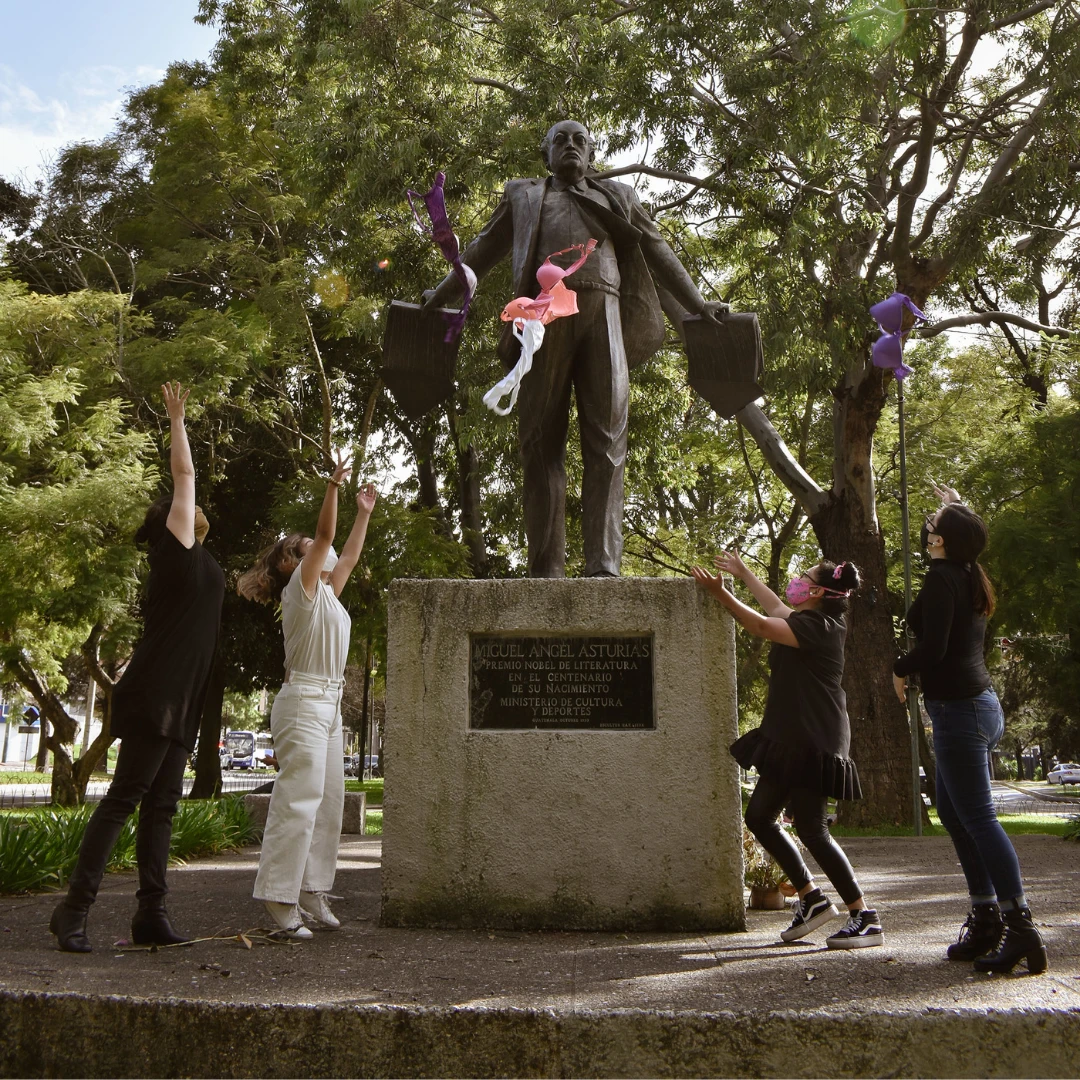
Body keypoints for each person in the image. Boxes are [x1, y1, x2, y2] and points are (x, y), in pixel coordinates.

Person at [422, 119, 727, 578]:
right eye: (559, 140)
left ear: (591, 153)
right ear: (545, 154)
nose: (570, 146)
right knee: (540, 441)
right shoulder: (523, 195)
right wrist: (440, 295)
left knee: (607, 440)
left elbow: (659, 251)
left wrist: (698, 303)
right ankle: (546, 567)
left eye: (579, 140)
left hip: (603, 311)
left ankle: (603, 564)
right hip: (544, 318)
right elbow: (482, 252)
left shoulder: (619, 198)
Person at [50, 383, 225, 952]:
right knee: (126, 799)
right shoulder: (177, 553)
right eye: (183, 508)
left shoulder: (203, 563)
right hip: (156, 694)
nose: (193, 508)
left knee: (162, 808)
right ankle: (73, 910)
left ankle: (151, 914)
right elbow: (184, 478)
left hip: (180, 700)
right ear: (172, 523)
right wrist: (176, 420)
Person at [692, 552, 883, 949]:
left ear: (815, 591)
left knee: (813, 829)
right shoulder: (807, 619)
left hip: (814, 739)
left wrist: (721, 594)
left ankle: (864, 916)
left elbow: (761, 624)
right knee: (760, 816)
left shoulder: (822, 626)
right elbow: (773, 608)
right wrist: (743, 572)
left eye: (804, 576)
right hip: (790, 736)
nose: (795, 580)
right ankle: (812, 899)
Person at [893, 486, 1047, 974]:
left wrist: (899, 667)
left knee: (978, 819)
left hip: (961, 712)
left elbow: (933, 649)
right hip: (972, 707)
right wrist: (957, 506)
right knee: (953, 813)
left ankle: (1020, 927)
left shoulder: (944, 578)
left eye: (934, 521)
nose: (927, 525)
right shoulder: (967, 572)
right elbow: (971, 538)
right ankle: (986, 918)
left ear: (940, 540)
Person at [237, 455, 377, 939]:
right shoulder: (301, 590)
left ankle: (312, 888)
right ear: (293, 562)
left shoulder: (330, 595)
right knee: (300, 800)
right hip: (303, 704)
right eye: (313, 549)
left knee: (329, 801)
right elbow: (323, 539)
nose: (328, 551)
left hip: (330, 705)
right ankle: (279, 895)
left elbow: (350, 556)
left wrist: (363, 513)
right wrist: (333, 490)